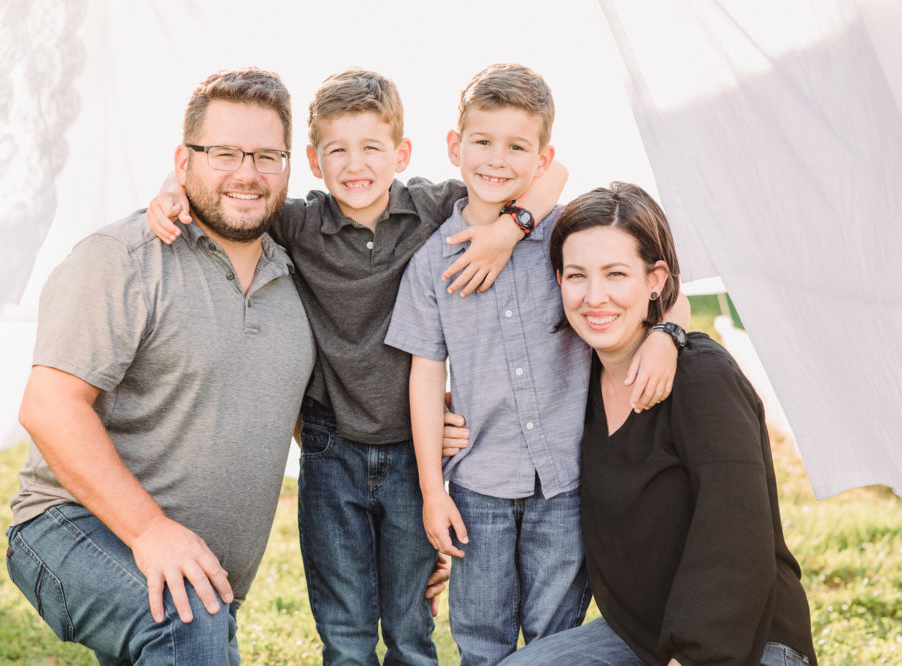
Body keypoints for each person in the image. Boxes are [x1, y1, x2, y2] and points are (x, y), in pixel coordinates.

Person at [146, 67, 570, 665]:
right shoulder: (298, 223)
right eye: (337, 150)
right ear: (313, 162)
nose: (356, 165)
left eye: (372, 147)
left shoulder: (434, 207)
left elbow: (552, 174)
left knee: (410, 627)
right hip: (329, 449)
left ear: (402, 152)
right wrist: (170, 187)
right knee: (343, 630)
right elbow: (218, 186)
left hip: (410, 452)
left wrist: (510, 230)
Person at [6, 68, 316, 665]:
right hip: (67, 527)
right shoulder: (122, 259)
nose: (247, 173)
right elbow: (48, 408)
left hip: (197, 571)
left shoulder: (297, 278)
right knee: (185, 622)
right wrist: (151, 533)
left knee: (190, 617)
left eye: (266, 156)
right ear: (184, 159)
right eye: (224, 153)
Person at [385, 65, 687, 666]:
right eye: (483, 142)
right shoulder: (430, 265)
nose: (497, 160)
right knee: (481, 639)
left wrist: (668, 338)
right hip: (478, 488)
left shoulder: (567, 236)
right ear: (455, 146)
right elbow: (425, 377)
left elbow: (662, 282)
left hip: (567, 483)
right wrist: (430, 489)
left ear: (542, 158)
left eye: (517, 147)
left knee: (557, 639)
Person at [500, 182, 817, 666]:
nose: (595, 296)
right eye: (577, 275)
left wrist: (692, 656)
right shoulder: (574, 384)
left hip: (748, 639)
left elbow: (735, 534)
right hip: (642, 635)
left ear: (655, 278)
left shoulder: (701, 376)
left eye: (616, 274)